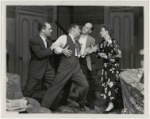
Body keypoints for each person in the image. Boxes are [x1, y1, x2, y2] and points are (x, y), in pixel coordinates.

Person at [41, 24, 89, 111]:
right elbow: (55, 47)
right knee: (56, 86)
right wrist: (62, 50)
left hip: (76, 67)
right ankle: (44, 107)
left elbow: (79, 55)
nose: (80, 30)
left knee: (85, 85)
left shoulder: (77, 42)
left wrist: (87, 51)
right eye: (78, 28)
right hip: (65, 66)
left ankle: (81, 103)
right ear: (73, 29)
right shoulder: (64, 37)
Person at [60, 23, 96, 110]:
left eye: (87, 28)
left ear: (90, 31)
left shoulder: (92, 39)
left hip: (83, 62)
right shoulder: (75, 35)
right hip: (73, 60)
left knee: (85, 82)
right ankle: (63, 100)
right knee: (67, 80)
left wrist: (90, 50)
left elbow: (94, 51)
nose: (84, 28)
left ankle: (83, 103)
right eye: (84, 26)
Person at [91, 24, 122, 113]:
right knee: (106, 85)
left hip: (113, 67)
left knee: (111, 85)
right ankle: (111, 103)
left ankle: (111, 104)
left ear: (107, 32)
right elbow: (98, 55)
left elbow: (119, 55)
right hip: (105, 67)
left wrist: (106, 56)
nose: (100, 32)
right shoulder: (101, 43)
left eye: (102, 31)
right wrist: (95, 52)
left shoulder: (113, 41)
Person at [22, 21, 55, 103]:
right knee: (28, 90)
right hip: (36, 68)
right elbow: (40, 54)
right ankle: (20, 107)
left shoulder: (49, 40)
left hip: (48, 68)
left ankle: (50, 105)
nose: (51, 30)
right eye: (49, 29)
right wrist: (52, 48)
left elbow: (53, 50)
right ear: (43, 30)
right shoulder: (34, 40)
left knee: (55, 84)